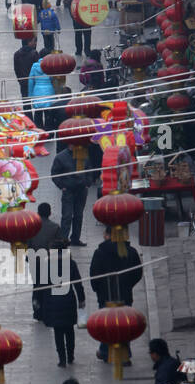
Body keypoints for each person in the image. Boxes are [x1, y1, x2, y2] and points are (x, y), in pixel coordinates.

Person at [90, 228, 143, 361]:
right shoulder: (131, 252)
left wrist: (98, 290)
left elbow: (94, 275)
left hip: (106, 295)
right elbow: (137, 273)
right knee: (124, 324)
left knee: (106, 324)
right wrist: (128, 285)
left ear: (108, 236)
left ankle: (105, 352)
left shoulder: (100, 252)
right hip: (124, 295)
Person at [39, 240, 86, 367]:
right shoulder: (70, 263)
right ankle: (71, 355)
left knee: (58, 332)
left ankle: (62, 359)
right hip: (68, 300)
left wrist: (41, 303)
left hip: (53, 301)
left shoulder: (47, 264)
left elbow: (42, 285)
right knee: (70, 330)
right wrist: (81, 299)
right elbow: (78, 283)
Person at [51, 142, 93, 247]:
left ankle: (75, 238)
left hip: (82, 190)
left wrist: (88, 183)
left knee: (78, 215)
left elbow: (89, 169)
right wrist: (62, 186)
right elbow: (55, 174)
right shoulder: (61, 157)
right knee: (67, 216)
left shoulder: (83, 154)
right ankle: (64, 239)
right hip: (68, 190)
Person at [28, 46, 57, 129]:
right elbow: (54, 79)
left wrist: (30, 95)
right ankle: (49, 132)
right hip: (49, 91)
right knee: (49, 114)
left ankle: (39, 132)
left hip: (37, 91)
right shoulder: (51, 65)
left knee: (38, 114)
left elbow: (31, 81)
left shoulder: (34, 66)